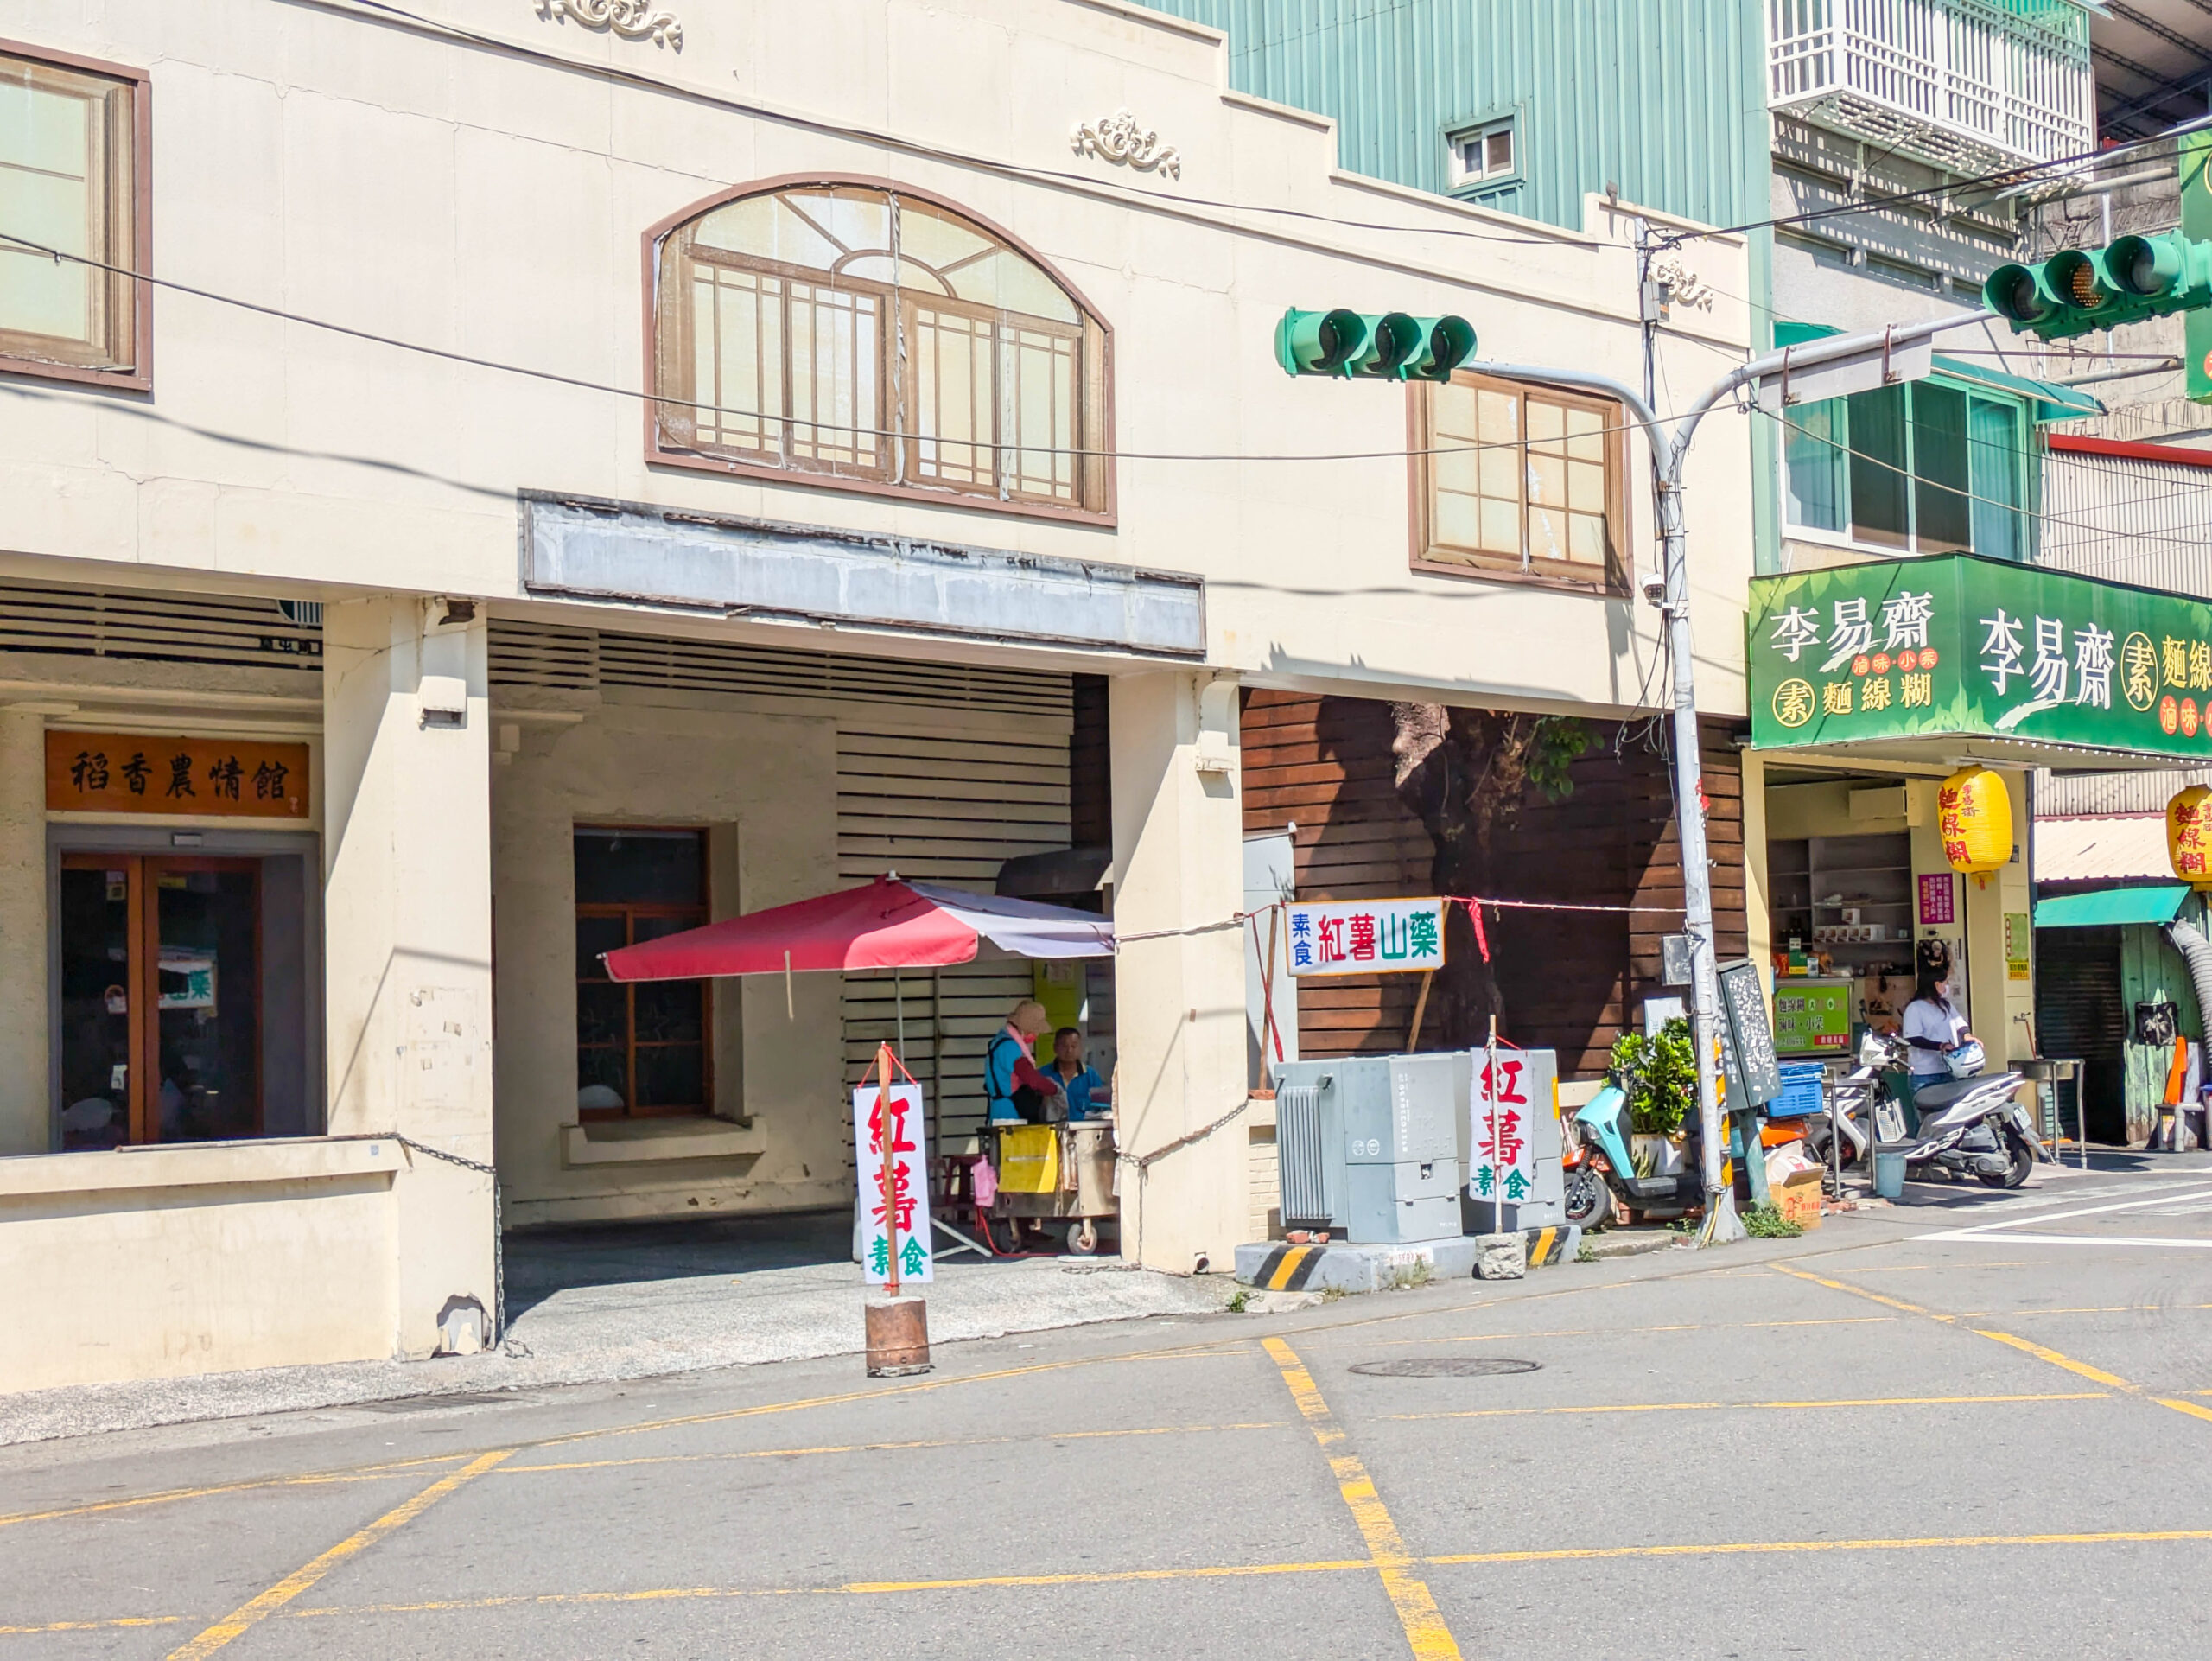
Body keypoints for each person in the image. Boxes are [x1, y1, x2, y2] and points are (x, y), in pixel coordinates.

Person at [1899, 947, 1972, 1132]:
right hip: (1924, 1074)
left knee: (1948, 1117)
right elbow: (1913, 1037)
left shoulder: (1945, 1006)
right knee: (1925, 1120)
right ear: (1934, 984)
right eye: (1944, 982)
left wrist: (1967, 1036)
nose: (1946, 986)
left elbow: (1959, 1024)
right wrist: (1939, 1046)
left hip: (1947, 1071)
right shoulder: (1915, 1009)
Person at [985, 1000, 1062, 1123]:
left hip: (1000, 1110)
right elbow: (1031, 1079)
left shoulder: (1001, 1041)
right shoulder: (1010, 1047)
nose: (1036, 1035)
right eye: (1035, 1030)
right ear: (1025, 1028)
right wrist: (1056, 1090)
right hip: (1009, 1114)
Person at [1040, 1027, 1108, 1119]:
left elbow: (1100, 1109)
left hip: (1085, 1130)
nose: (1069, 1050)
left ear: (1081, 1048)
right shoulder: (1043, 1075)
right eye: (1064, 1046)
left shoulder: (1091, 1076)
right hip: (1052, 1130)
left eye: (1074, 1046)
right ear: (1055, 1048)